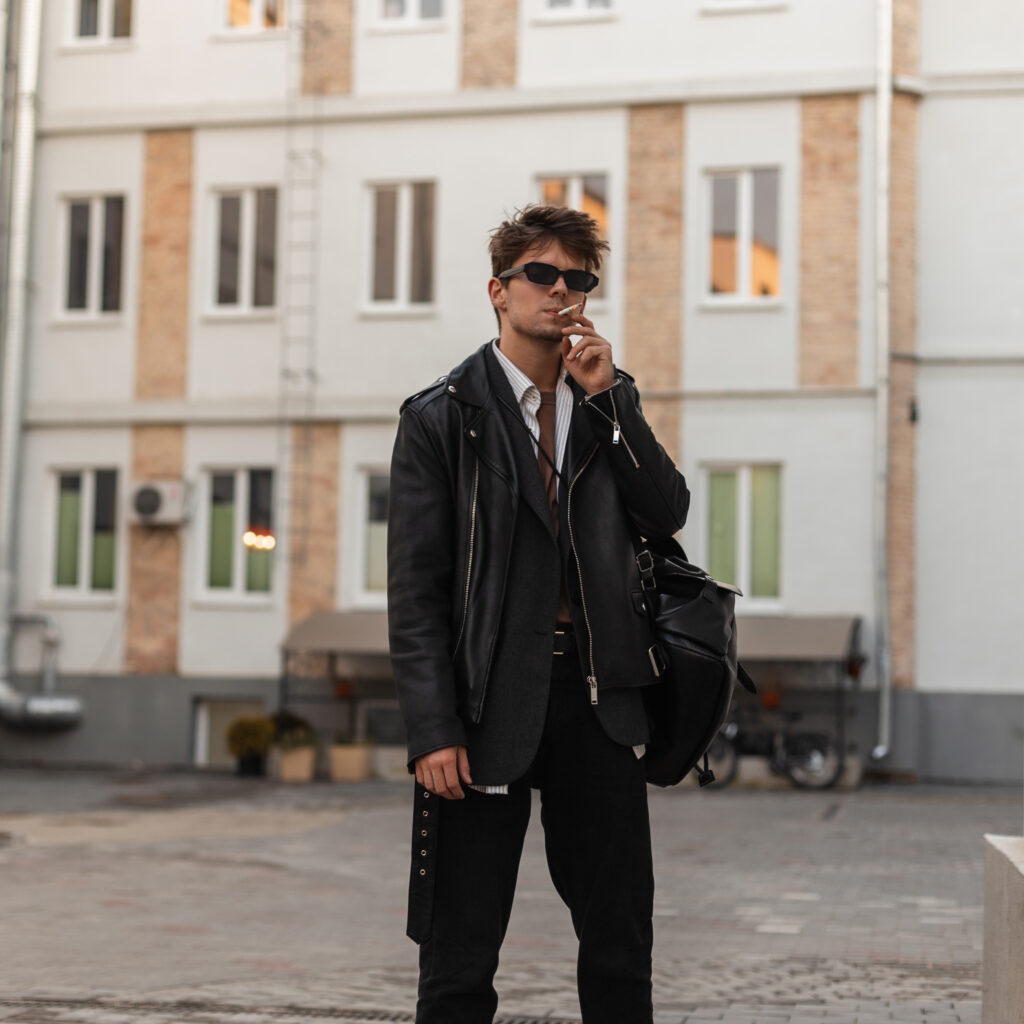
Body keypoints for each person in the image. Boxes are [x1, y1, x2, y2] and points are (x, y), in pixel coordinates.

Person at [387, 204, 690, 1024]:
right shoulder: (441, 417)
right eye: (543, 274)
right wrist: (432, 728)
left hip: (598, 701)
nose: (562, 291)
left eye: (578, 278)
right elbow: (416, 591)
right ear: (500, 290)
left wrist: (610, 401)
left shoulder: (605, 402)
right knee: (459, 956)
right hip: (484, 705)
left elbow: (666, 512)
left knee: (620, 946)